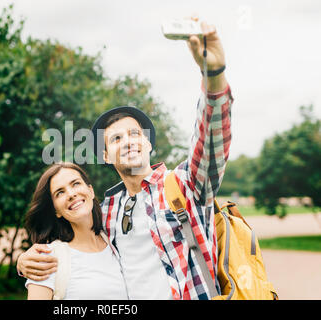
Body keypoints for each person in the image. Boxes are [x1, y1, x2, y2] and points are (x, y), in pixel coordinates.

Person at [18, 17, 233, 300]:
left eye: (134, 134)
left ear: (147, 144)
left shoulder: (185, 185)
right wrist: (24, 263)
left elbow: (211, 140)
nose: (128, 141)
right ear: (106, 155)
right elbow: (76, 244)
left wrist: (214, 75)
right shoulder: (107, 212)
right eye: (116, 139)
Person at [23, 162, 128, 300]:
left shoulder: (116, 239)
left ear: (91, 191)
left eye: (76, 184)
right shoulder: (46, 259)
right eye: (60, 192)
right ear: (56, 211)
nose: (71, 194)